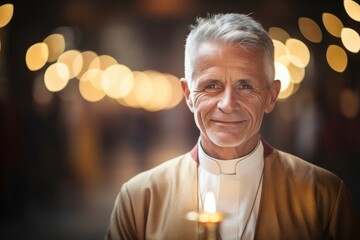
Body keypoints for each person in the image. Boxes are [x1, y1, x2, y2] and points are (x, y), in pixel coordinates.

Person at [105, 13, 360, 239]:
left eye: (245, 86)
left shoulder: (323, 196)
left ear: (271, 96)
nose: (228, 104)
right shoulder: (140, 199)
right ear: (188, 95)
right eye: (211, 85)